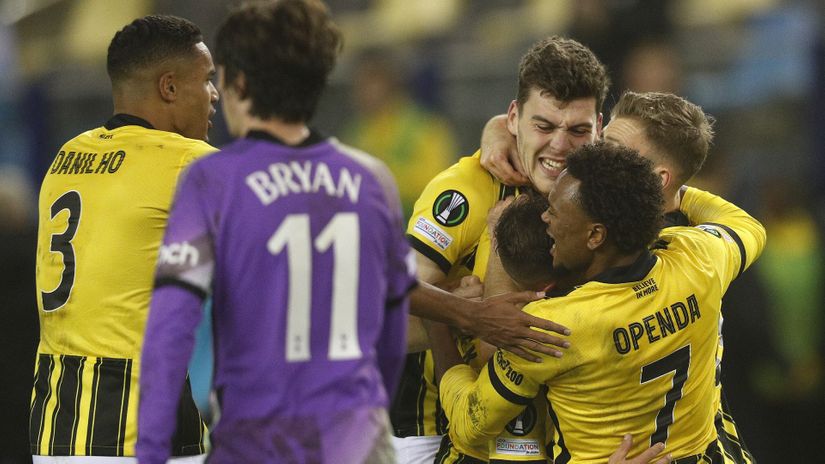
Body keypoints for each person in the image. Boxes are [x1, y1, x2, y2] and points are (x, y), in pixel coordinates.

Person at [134, 2, 568, 462]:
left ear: (236, 83)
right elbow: (395, 296)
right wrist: (467, 315)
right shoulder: (365, 177)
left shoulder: (210, 183)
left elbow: (169, 327)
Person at [427, 142, 766, 462]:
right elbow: (747, 227)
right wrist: (656, 191)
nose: (546, 219)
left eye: (555, 212)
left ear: (595, 236)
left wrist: (437, 321)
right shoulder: (699, 258)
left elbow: (468, 425)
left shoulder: (551, 325)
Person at [395, 35, 608, 463]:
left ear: (599, 127)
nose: (561, 146)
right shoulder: (467, 191)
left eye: (578, 130)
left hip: (556, 430)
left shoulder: (605, 189)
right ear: (513, 118)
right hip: (434, 428)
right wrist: (464, 316)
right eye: (543, 126)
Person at [31, 15, 218, 461]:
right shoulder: (187, 162)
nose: (214, 96)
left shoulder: (66, 157)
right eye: (207, 80)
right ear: (169, 87)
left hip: (56, 426)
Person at [343, 47, 456, 219]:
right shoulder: (356, 132)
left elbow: (439, 181)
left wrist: (378, 181)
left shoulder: (425, 127)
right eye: (358, 84)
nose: (361, 91)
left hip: (416, 230)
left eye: (369, 82)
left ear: (390, 82)